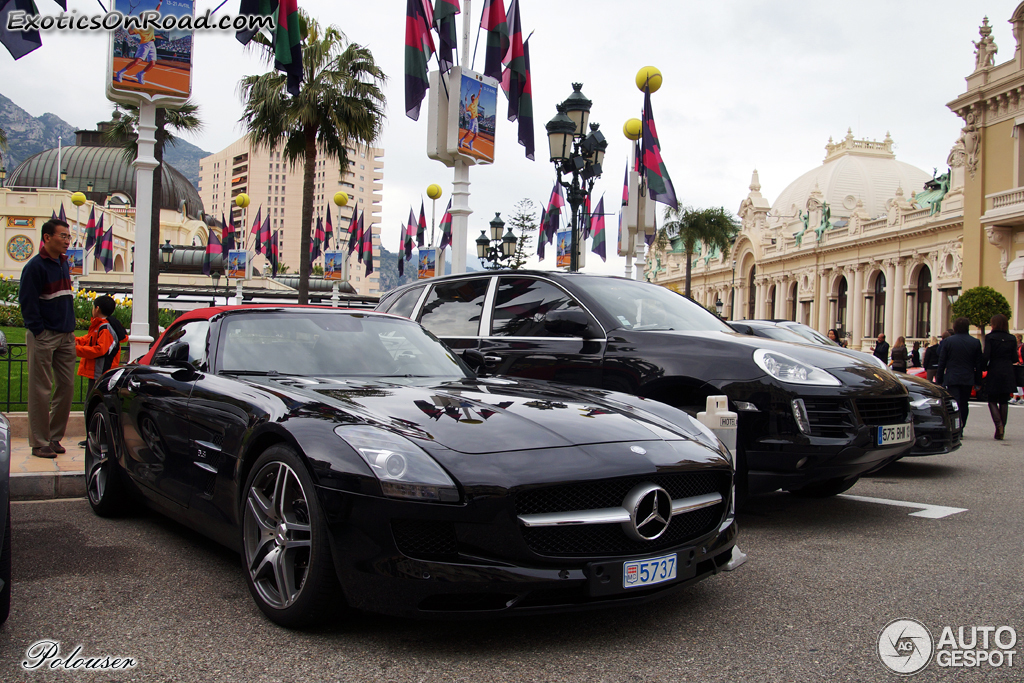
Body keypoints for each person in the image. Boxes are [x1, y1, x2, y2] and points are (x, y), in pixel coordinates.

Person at [18, 219, 76, 458]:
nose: (66, 240)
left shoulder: (63, 263)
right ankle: (39, 442)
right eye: (62, 236)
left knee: (67, 386)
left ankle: (53, 437)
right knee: (40, 389)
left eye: (68, 236)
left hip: (66, 335)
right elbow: (27, 301)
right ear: (47, 237)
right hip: (44, 335)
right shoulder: (35, 267)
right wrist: (38, 331)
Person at [936, 317, 983, 429]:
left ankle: (954, 426)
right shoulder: (975, 342)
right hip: (967, 377)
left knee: (954, 402)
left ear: (955, 327)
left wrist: (939, 380)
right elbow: (978, 364)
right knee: (964, 403)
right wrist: (978, 381)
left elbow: (941, 363)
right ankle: (961, 426)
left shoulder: (948, 342)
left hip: (952, 376)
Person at [982, 314, 1017, 440]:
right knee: (1004, 400)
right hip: (1008, 370)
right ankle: (1002, 426)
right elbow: (1014, 358)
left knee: (991, 399)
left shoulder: (990, 337)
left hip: (995, 368)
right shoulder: (1012, 338)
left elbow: (986, 356)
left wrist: (983, 367)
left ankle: (998, 425)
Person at [113, 0, 163, 85]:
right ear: (141, 18)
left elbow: (156, 11)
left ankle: (140, 74)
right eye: (142, 16)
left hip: (152, 44)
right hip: (144, 44)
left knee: (152, 64)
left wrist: (160, 2)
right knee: (137, 62)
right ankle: (120, 72)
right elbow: (131, 32)